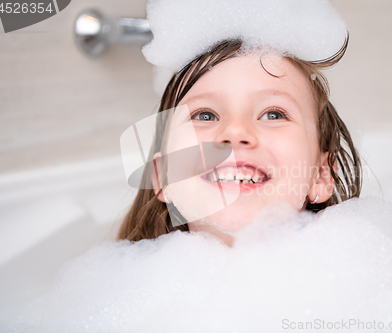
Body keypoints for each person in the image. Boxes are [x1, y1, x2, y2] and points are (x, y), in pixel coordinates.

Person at [117, 37, 362, 246]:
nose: (235, 132)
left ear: (319, 175)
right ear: (164, 177)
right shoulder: (123, 292)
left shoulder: (360, 289)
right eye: (205, 115)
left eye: (273, 114)